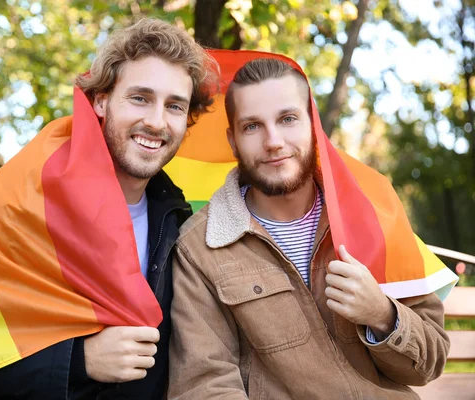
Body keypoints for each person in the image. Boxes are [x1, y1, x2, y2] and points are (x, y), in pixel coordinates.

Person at [0, 18, 218, 399]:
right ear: (101, 99)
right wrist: (79, 360)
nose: (156, 121)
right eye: (140, 98)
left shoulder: (181, 221)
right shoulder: (23, 201)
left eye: (174, 106)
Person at [168, 57, 450, 399]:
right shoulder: (199, 246)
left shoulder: (371, 212)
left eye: (287, 119)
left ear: (313, 125)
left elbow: (429, 364)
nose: (273, 141)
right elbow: (204, 384)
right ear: (233, 140)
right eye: (252, 126)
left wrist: (382, 314)